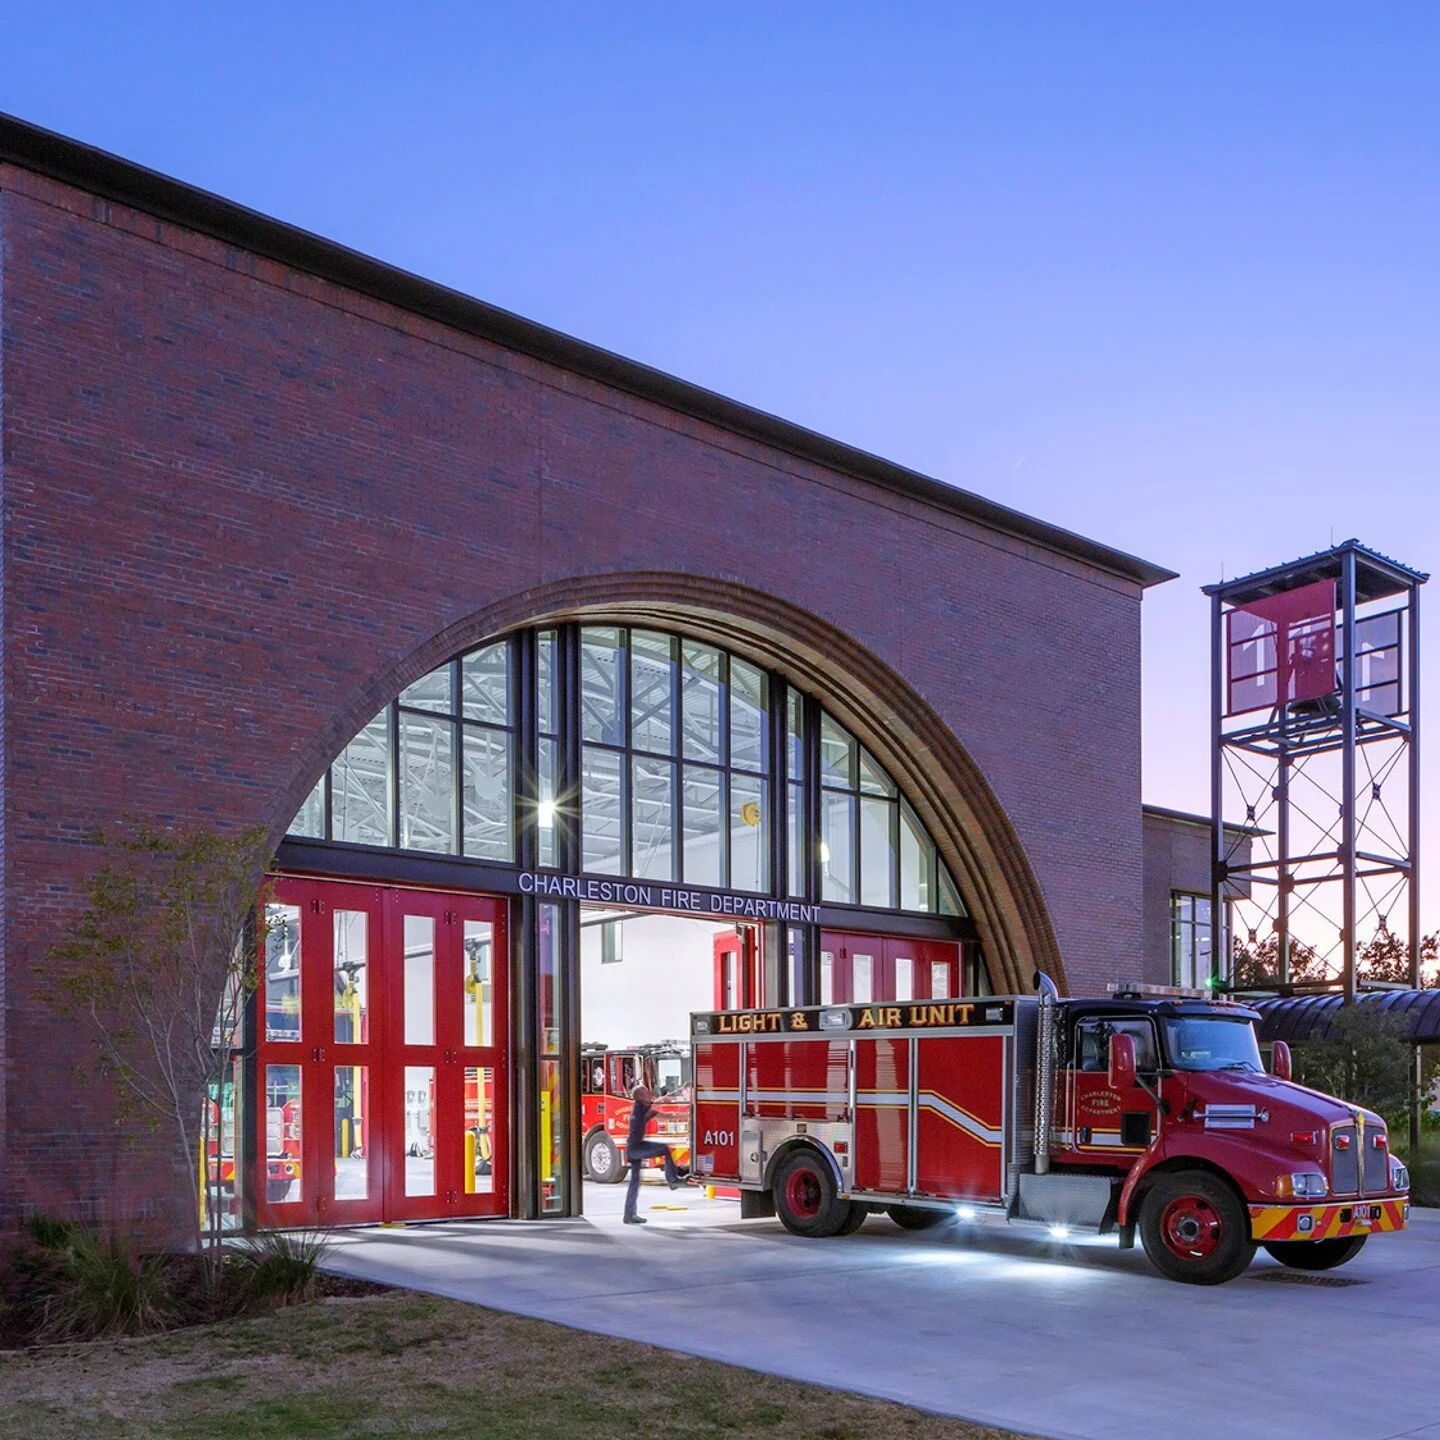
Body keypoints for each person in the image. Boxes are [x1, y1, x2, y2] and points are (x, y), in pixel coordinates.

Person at [622, 1082, 684, 1224]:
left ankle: (629, 1214)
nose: (649, 1093)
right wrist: (673, 1096)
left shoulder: (639, 1108)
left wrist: (683, 1113)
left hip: (633, 1147)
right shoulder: (641, 1108)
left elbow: (663, 1111)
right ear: (640, 1096)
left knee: (635, 1182)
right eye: (646, 1092)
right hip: (636, 1148)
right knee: (664, 1149)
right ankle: (672, 1180)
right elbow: (658, 1106)